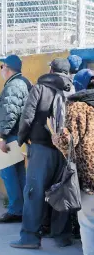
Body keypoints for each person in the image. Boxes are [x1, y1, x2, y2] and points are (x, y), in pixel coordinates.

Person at [11, 58, 75, 249]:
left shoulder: (39, 88)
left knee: (33, 192)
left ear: (51, 69)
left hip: (41, 148)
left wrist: (21, 140)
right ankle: (62, 236)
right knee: (62, 190)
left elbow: (27, 116)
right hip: (65, 150)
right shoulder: (72, 90)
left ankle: (30, 237)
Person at [52, 69, 94, 255]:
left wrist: (56, 137)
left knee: (88, 222)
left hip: (89, 178)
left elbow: (69, 141)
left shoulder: (78, 107)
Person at [0, 54, 31, 223]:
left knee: (8, 173)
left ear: (7, 68)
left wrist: (3, 137)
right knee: (18, 174)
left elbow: (10, 113)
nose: (1, 70)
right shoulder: (21, 82)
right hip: (19, 134)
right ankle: (24, 209)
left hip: (11, 135)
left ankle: (16, 210)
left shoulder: (14, 86)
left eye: (2, 66)